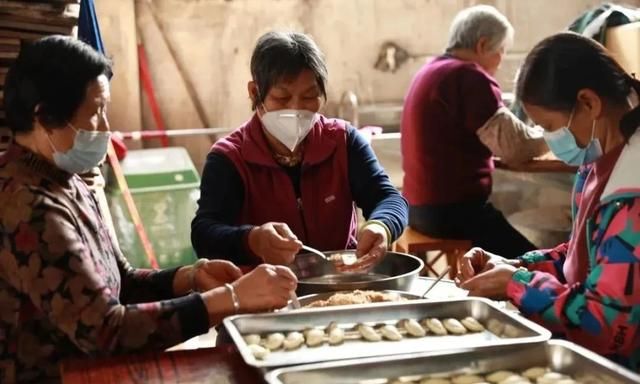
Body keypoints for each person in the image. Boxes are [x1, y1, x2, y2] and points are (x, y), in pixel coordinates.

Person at [0, 36, 297, 383]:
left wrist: (190, 277)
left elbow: (121, 282)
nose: (107, 128)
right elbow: (107, 331)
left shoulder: (64, 179)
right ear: (44, 117)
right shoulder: (27, 205)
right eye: (95, 112)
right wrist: (229, 299)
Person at [458, 32, 640, 370]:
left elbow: (607, 323)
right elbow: (585, 257)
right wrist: (517, 265)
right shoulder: (597, 165)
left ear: (588, 103)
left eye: (550, 126)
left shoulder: (633, 193)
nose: (550, 139)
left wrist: (517, 285)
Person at [191, 31, 408, 269]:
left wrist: (381, 226)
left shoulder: (343, 142)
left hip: (339, 281)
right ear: (255, 93)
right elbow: (205, 233)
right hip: (263, 289)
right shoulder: (230, 158)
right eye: (282, 98)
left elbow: (388, 198)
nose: (296, 109)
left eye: (309, 97)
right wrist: (252, 239)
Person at [401, 5, 548, 258]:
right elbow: (516, 148)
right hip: (452, 212)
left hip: (417, 209)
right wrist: (557, 131)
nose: (500, 62)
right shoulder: (468, 77)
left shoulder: (429, 71)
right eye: (500, 52)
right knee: (537, 263)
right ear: (482, 45)